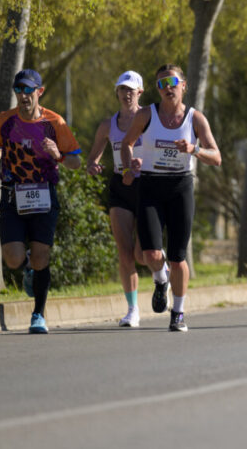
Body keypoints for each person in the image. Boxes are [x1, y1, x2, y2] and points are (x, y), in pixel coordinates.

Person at [120, 64, 221, 332]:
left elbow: (216, 156)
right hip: (151, 185)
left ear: (183, 85)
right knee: (150, 254)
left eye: (172, 82)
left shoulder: (195, 118)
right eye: (161, 84)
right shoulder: (146, 114)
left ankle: (178, 312)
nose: (167, 88)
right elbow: (126, 144)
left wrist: (194, 149)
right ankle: (160, 278)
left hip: (180, 187)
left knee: (177, 257)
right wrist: (131, 164)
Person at [0, 69, 82, 334]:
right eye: (19, 90)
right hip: (12, 194)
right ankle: (26, 265)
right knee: (13, 259)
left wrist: (58, 155)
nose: (23, 96)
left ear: (40, 92)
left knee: (42, 258)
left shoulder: (55, 122)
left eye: (29, 90)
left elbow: (76, 161)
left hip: (43, 195)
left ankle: (38, 313)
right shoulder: (4, 120)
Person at [85, 70, 150, 327]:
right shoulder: (107, 125)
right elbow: (93, 158)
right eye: (122, 90)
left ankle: (162, 268)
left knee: (143, 254)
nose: (126, 94)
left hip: (147, 186)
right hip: (120, 186)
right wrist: (92, 166)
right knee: (124, 253)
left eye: (131, 90)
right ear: (117, 93)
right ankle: (132, 309)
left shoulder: (150, 120)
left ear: (140, 93)